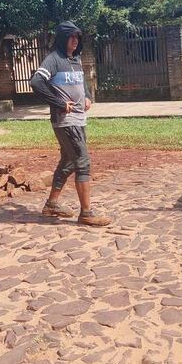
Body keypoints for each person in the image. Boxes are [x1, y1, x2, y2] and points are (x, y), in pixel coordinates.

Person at [30, 20, 111, 227]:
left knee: (68, 162)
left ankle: (51, 204)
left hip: (78, 119)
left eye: (77, 37)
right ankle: (86, 213)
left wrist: (88, 96)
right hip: (65, 121)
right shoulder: (53, 60)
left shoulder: (75, 59)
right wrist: (58, 102)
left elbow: (81, 81)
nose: (75, 41)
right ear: (63, 38)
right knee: (83, 163)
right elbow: (36, 82)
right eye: (71, 37)